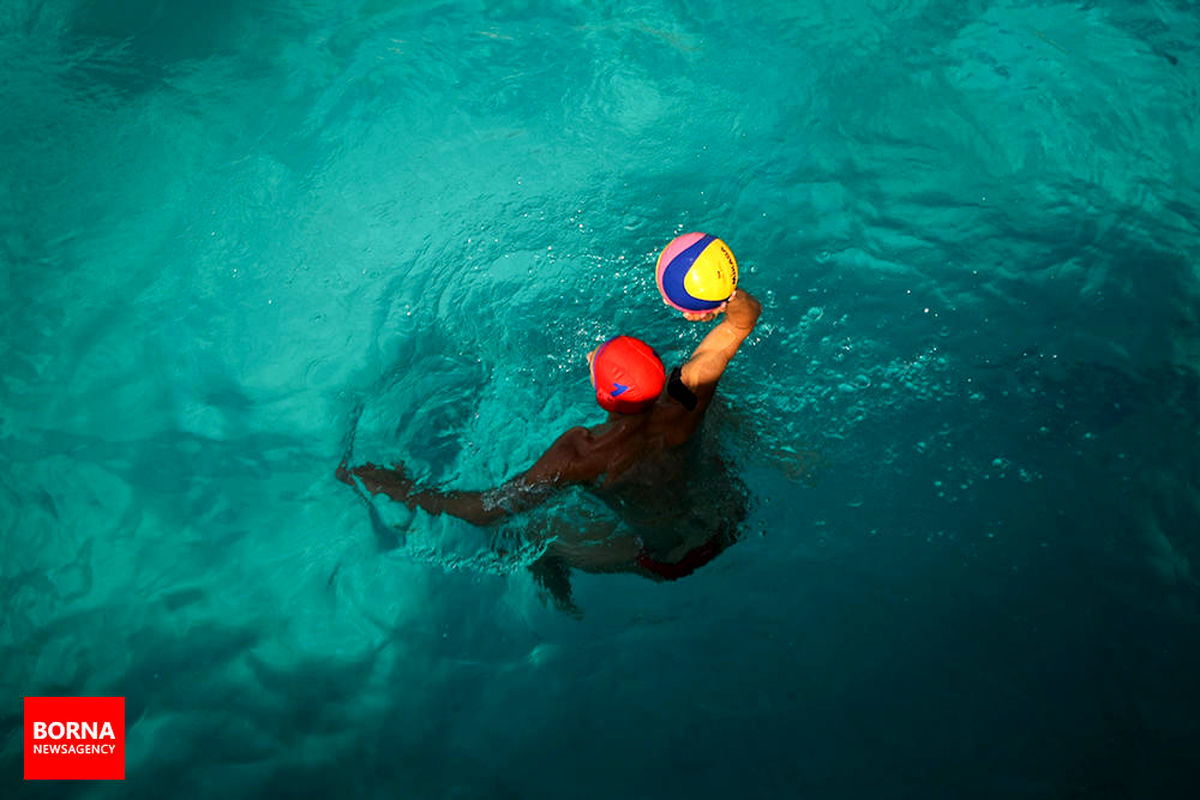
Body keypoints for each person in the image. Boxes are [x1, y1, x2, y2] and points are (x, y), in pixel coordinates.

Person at [338, 289, 762, 605]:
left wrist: (397, 488)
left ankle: (552, 580)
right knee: (718, 404)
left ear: (604, 398)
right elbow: (744, 320)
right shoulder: (688, 394)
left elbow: (486, 510)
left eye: (597, 363)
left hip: (672, 559)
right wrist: (723, 297)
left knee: (530, 533)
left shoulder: (583, 454)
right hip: (727, 518)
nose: (591, 357)